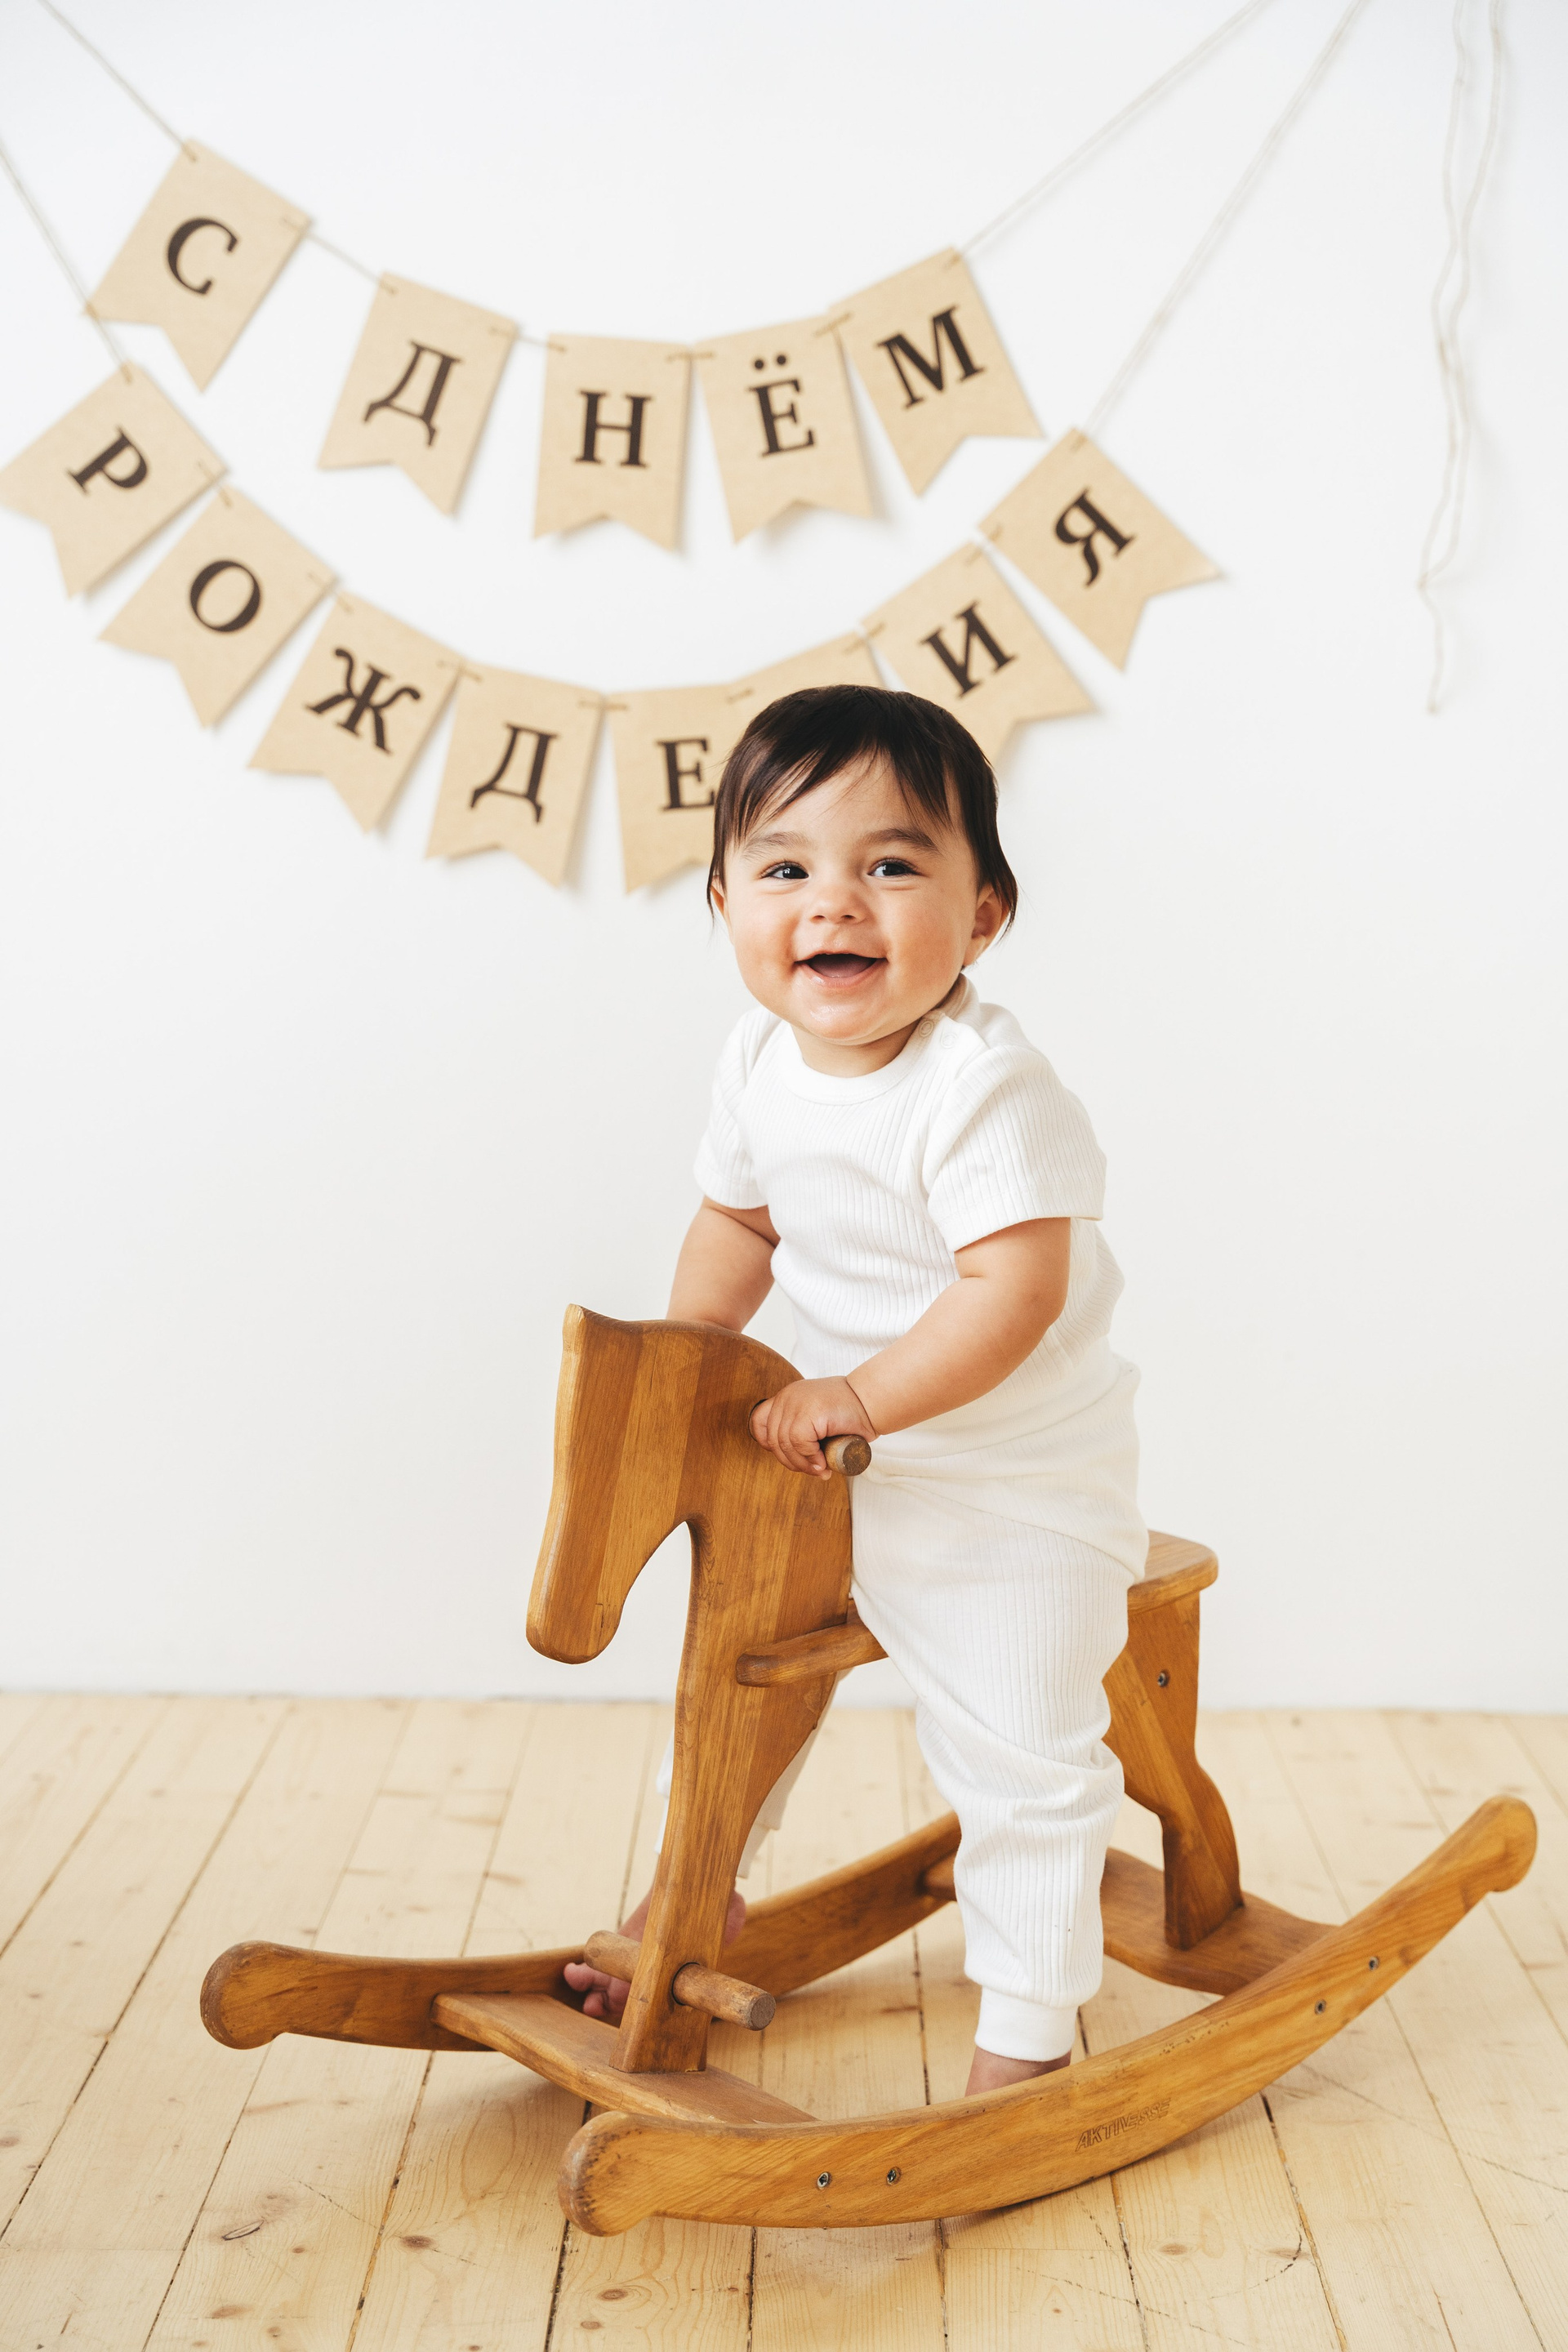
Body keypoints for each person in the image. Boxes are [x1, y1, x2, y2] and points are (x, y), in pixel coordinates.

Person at [564, 684, 1145, 2095]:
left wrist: (867, 1396)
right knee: (731, 1680)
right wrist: (689, 1360)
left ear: (984, 914)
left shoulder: (983, 1089)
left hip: (1007, 1486)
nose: (835, 900)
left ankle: (1028, 2033)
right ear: (724, 905)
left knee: (1022, 1744)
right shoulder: (760, 1059)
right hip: (827, 1455)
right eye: (785, 869)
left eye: (890, 863)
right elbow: (740, 1221)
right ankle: (694, 1893)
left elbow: (1013, 1292)